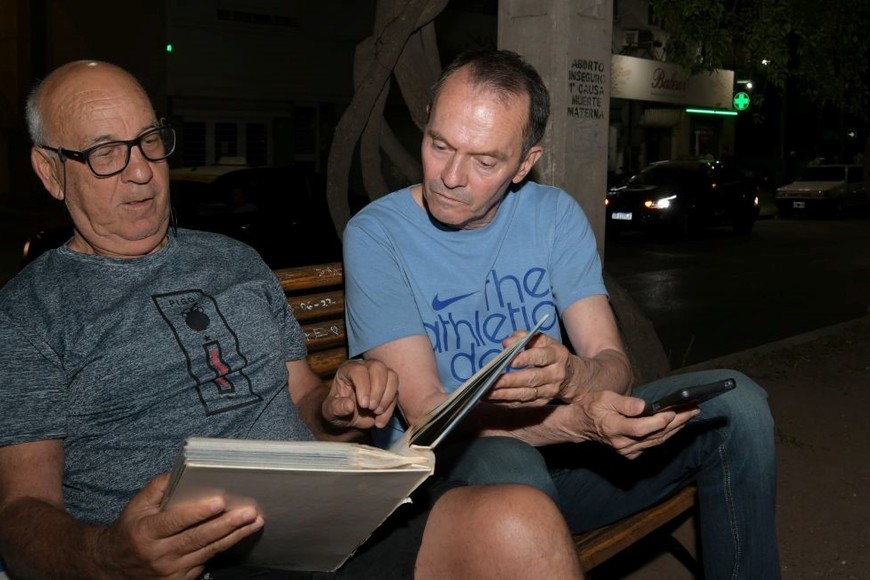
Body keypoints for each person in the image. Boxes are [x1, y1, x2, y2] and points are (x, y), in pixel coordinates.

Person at [0, 60, 584, 579]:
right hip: (195, 562)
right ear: (50, 171)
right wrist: (109, 557)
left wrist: (340, 406)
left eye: (150, 141)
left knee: (520, 519)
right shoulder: (31, 312)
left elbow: (308, 403)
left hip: (325, 527)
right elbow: (20, 515)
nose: (140, 172)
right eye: (105, 153)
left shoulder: (234, 261)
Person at [344, 49, 780, 579]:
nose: (451, 176)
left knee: (742, 407)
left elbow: (612, 361)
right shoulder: (377, 234)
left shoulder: (553, 215)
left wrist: (575, 376)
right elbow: (426, 414)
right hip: (451, 488)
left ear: (525, 164)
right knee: (509, 460)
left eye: (485, 161)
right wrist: (578, 423)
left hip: (566, 469)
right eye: (440, 145)